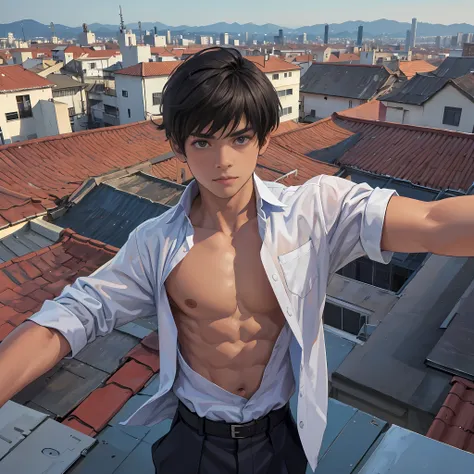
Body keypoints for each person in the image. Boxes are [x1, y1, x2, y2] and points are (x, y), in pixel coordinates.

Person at [1, 47, 474, 474]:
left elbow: (433, 222)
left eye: (240, 139)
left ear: (264, 139)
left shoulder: (315, 211)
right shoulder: (155, 243)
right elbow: (71, 316)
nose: (222, 160)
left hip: (278, 435)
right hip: (195, 439)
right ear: (178, 148)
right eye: (203, 142)